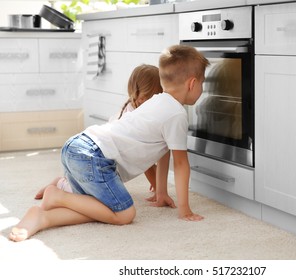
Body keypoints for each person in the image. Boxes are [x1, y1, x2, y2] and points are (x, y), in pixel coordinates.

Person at [9, 44, 209, 242]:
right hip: (94, 157)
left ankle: (45, 215)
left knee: (97, 206)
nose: (202, 89)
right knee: (124, 213)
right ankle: (57, 197)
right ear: (192, 83)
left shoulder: (155, 102)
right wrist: (185, 210)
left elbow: (163, 152)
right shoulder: (176, 114)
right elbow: (181, 164)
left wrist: (161, 193)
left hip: (78, 146)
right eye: (202, 83)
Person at [34, 64, 164, 201]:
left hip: (89, 153)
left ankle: (65, 181)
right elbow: (145, 160)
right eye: (158, 98)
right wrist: (157, 187)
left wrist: (156, 185)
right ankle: (60, 184)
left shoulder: (131, 109)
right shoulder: (137, 120)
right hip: (99, 162)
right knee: (88, 197)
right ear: (142, 98)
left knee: (84, 186)